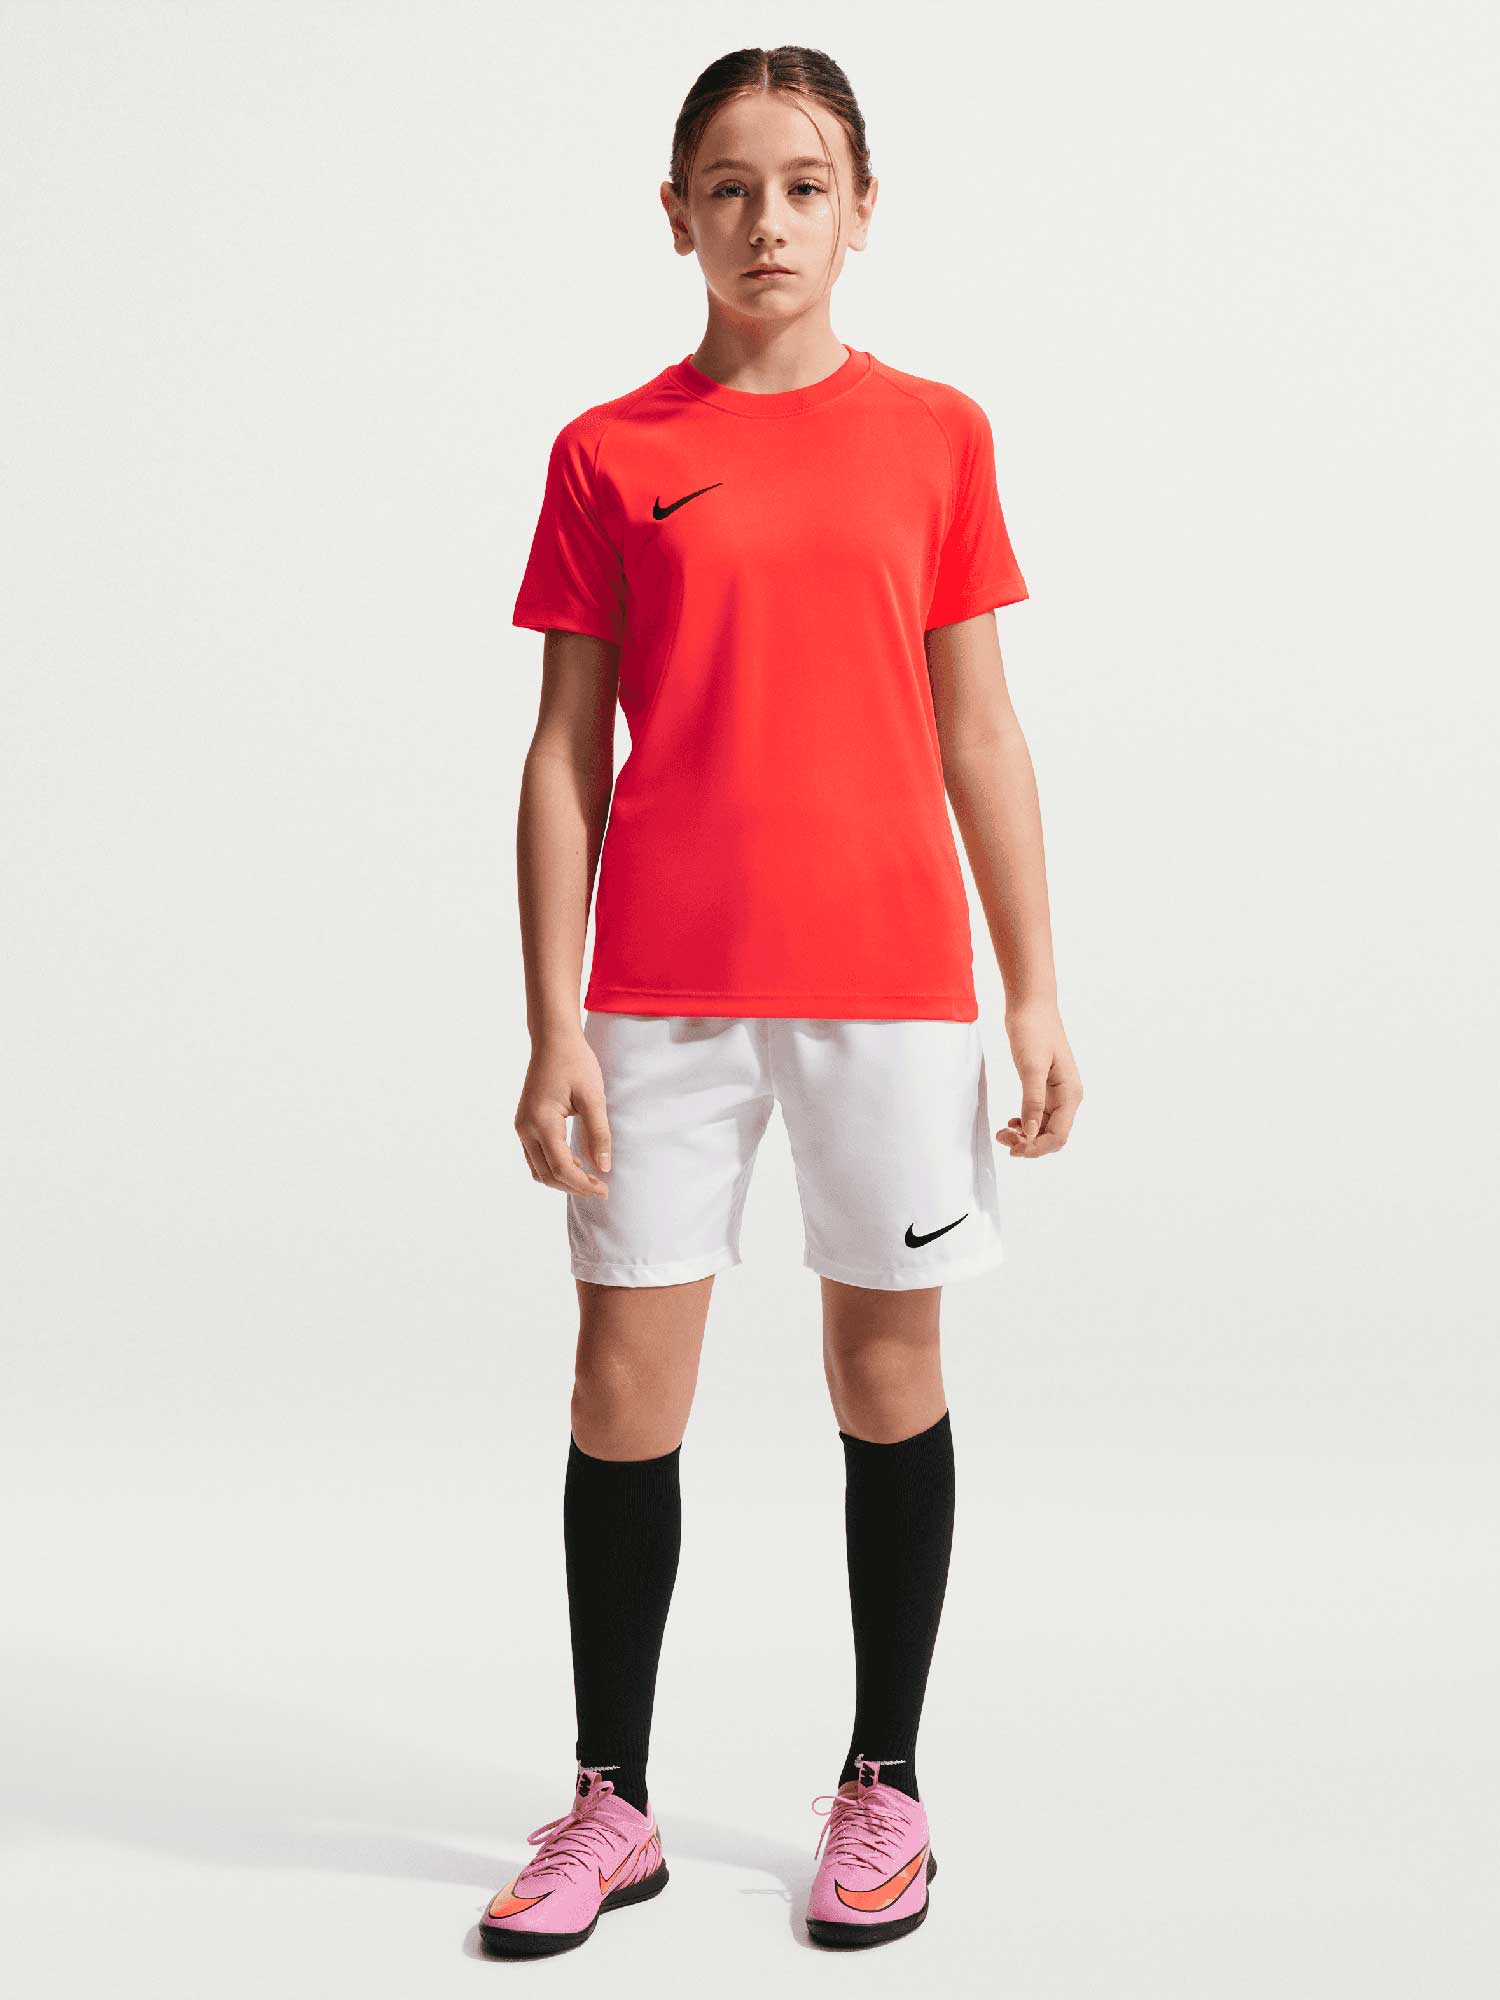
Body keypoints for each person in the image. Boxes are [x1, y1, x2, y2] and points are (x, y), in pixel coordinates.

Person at [481, 45, 1083, 1960]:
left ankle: (882, 1785)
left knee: (886, 1376)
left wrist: (1035, 988)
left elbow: (980, 732)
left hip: (889, 984)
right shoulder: (608, 452)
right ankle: (611, 1804)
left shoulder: (937, 436)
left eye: (806, 185)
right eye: (731, 188)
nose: (769, 222)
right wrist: (552, 1022)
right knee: (621, 1386)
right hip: (659, 993)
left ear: (862, 210)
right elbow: (565, 751)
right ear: (677, 216)